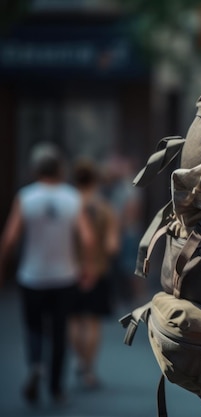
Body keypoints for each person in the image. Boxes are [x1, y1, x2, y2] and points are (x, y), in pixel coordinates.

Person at [0, 143, 95, 405]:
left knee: (33, 327)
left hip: (32, 276)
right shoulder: (72, 198)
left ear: (35, 169)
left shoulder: (25, 197)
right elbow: (87, 238)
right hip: (64, 276)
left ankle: (35, 366)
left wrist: (2, 268)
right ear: (60, 169)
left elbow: (9, 239)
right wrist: (86, 266)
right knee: (59, 331)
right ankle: (55, 387)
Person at [69, 159, 120, 389]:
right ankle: (89, 369)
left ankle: (79, 362)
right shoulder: (105, 208)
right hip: (98, 271)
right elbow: (112, 246)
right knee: (93, 322)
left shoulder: (68, 206)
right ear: (95, 180)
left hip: (69, 271)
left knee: (74, 320)